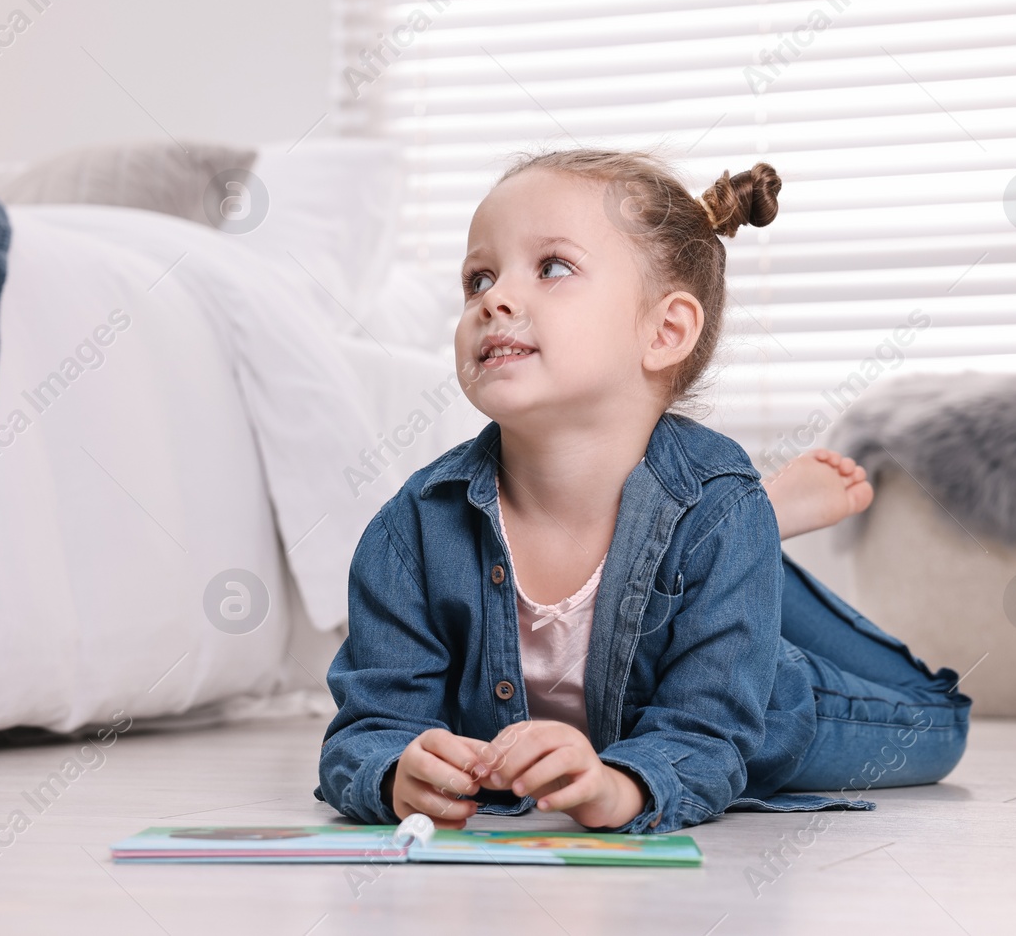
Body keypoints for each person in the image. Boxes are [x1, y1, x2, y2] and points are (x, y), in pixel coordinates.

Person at [315, 150, 970, 834]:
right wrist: (394, 771)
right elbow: (369, 725)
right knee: (720, 531)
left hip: (764, 705)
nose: (493, 299)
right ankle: (746, 541)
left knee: (940, 719)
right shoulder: (413, 529)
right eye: (478, 276)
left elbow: (705, 733)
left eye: (552, 267)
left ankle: (744, 537)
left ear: (664, 332)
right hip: (705, 543)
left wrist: (619, 786)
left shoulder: (713, 494)